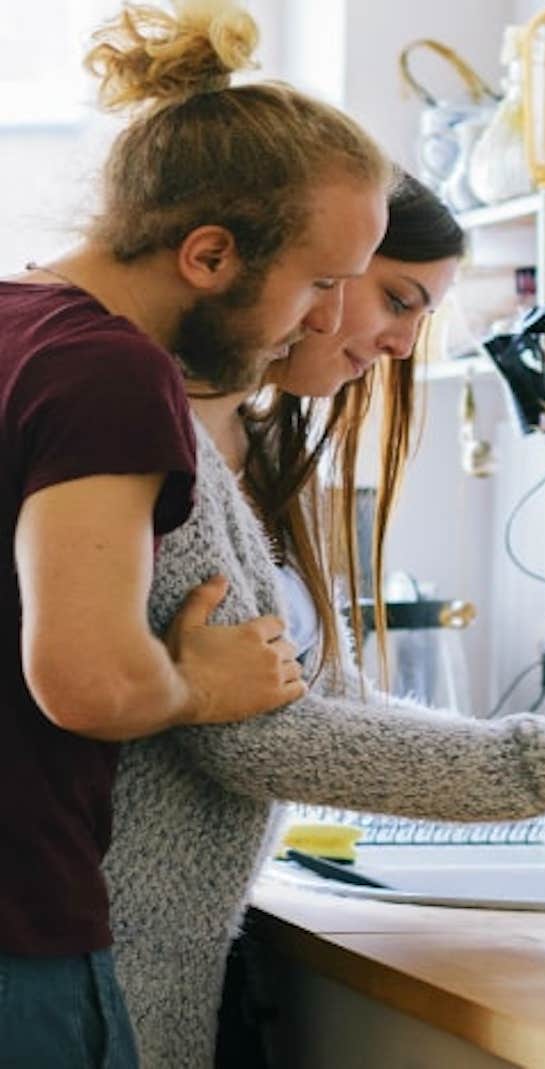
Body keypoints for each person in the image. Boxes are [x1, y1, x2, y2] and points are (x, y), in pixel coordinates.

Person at [101, 172, 545, 1067]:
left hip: (166, 943)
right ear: (314, 271)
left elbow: (323, 693)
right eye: (395, 298)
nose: (404, 344)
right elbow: (255, 737)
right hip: (108, 936)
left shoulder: (253, 445)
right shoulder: (161, 432)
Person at [0, 0, 394, 1063]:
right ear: (210, 255)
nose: (326, 321)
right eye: (319, 282)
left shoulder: (12, 328)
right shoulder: (107, 368)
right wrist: (204, 686)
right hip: (18, 934)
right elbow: (90, 681)